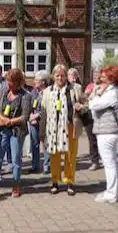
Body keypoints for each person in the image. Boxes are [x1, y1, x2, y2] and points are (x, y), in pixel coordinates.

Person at [40, 64, 87, 196]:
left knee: (70, 156)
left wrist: (81, 107)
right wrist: (41, 132)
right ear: (53, 76)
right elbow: (43, 114)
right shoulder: (47, 91)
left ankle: (69, 181)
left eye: (63, 75)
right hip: (52, 128)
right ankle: (55, 181)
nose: (60, 78)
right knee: (54, 155)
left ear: (66, 76)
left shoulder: (75, 88)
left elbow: (86, 105)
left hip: (70, 127)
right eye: (57, 75)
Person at [0, 68, 32, 197]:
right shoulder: (3, 91)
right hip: (1, 129)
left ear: (18, 82)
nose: (8, 83)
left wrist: (10, 121)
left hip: (17, 131)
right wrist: (2, 119)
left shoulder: (26, 95)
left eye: (10, 81)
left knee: (16, 159)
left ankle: (16, 186)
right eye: (7, 80)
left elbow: (25, 116)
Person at [88, 65, 118, 203]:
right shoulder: (111, 91)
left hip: (108, 131)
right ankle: (112, 191)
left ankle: (111, 194)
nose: (100, 78)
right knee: (111, 162)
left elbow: (94, 105)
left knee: (109, 163)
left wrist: (97, 94)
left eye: (103, 76)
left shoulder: (112, 93)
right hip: (108, 131)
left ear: (111, 78)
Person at [28, 70, 50, 174]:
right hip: (34, 122)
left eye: (37, 80)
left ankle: (47, 166)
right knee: (34, 144)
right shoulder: (33, 92)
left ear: (43, 82)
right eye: (35, 79)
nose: (35, 81)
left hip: (45, 121)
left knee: (46, 143)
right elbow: (29, 106)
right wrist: (31, 117)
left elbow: (48, 108)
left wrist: (37, 115)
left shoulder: (49, 92)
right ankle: (35, 166)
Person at [83, 68, 101, 171]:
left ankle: (100, 158)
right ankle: (94, 161)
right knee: (92, 139)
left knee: (100, 139)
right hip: (90, 115)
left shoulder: (104, 87)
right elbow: (85, 97)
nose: (95, 77)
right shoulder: (90, 86)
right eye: (94, 75)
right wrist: (87, 94)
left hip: (99, 116)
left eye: (97, 75)